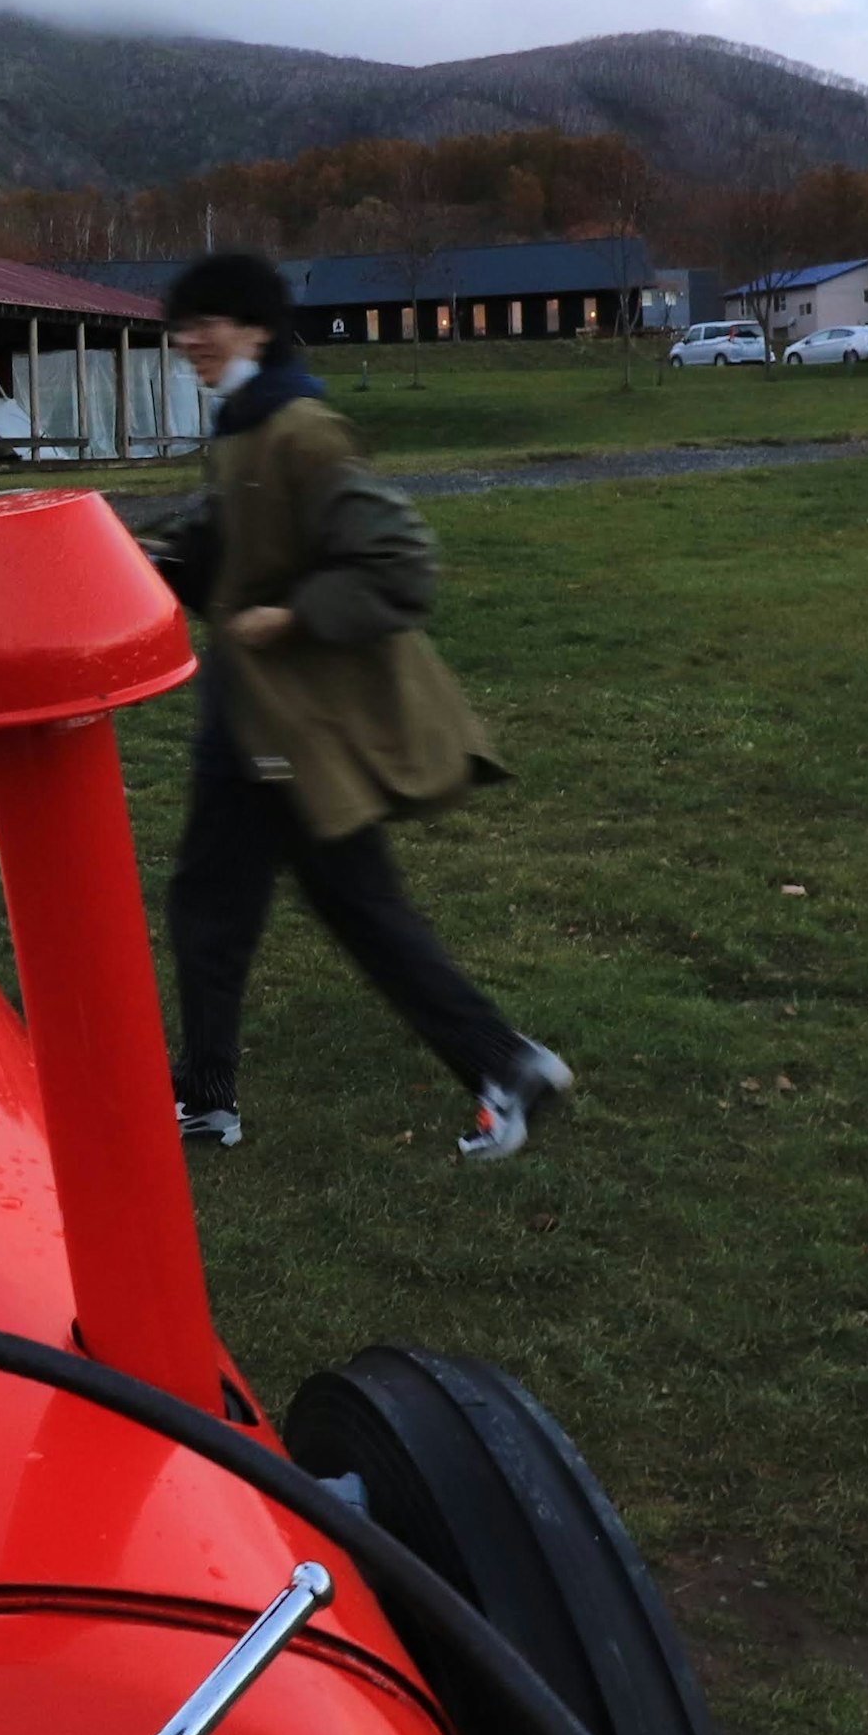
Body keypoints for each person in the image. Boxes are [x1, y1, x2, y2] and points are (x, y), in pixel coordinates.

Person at [146, 252, 570, 1161]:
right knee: (210, 902)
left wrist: (291, 616)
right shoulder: (244, 427)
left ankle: (505, 1066)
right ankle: (207, 1099)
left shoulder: (306, 431)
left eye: (205, 322)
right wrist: (142, 553)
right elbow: (233, 549)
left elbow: (399, 563)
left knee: (354, 904)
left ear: (255, 328)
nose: (188, 340)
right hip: (244, 713)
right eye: (181, 325)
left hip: (298, 725)